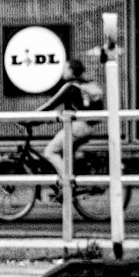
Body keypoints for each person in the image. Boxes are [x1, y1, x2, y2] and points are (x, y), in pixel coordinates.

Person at [38, 58, 103, 198]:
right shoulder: (86, 85)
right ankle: (73, 187)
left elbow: (50, 104)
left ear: (72, 71)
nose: (63, 71)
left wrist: (29, 117)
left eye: (66, 68)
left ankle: (68, 186)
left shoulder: (71, 86)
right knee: (67, 155)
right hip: (88, 127)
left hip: (78, 126)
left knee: (50, 151)